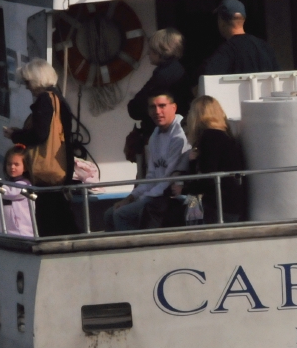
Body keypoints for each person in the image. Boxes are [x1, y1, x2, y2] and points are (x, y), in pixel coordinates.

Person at [4, 59, 77, 236]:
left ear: (37, 80)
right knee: (61, 215)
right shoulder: (58, 98)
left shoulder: (45, 100)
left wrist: (15, 135)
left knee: (49, 218)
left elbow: (40, 135)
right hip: (61, 166)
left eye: (28, 82)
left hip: (48, 171)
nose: (27, 87)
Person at [103, 93, 190, 231]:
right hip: (154, 194)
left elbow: (167, 182)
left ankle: (133, 250)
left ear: (173, 107)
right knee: (109, 214)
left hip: (170, 198)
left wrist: (141, 199)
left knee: (121, 215)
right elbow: (151, 177)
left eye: (162, 106)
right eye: (152, 107)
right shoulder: (155, 135)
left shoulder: (179, 136)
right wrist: (131, 197)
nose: (157, 111)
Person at [180, 95, 247, 223]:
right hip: (232, 204)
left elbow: (208, 176)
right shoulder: (224, 136)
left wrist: (184, 189)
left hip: (220, 206)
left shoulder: (210, 137)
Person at [127, 28, 190, 141]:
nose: (148, 53)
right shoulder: (178, 70)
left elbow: (136, 108)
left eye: (151, 50)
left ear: (160, 51)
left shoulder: (163, 76)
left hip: (165, 136)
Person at [200, 0, 279, 76]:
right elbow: (278, 77)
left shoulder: (227, 50)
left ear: (222, 21)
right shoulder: (265, 47)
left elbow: (207, 75)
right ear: (243, 19)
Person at [0, 145, 34, 237]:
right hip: (5, 230)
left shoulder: (25, 185)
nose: (12, 167)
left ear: (25, 167)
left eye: (16, 164)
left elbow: (10, 193)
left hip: (21, 232)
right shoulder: (7, 184)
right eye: (9, 164)